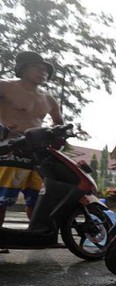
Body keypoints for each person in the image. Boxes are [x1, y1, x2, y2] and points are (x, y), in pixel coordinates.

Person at [0, 51, 63, 227]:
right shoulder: (5, 86)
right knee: (2, 198)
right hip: (9, 149)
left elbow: (59, 123)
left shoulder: (49, 98)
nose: (43, 72)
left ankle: (39, 235)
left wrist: (56, 137)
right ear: (23, 68)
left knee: (37, 197)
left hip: (37, 151)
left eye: (45, 69)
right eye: (38, 67)